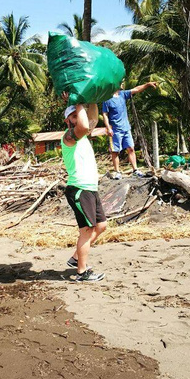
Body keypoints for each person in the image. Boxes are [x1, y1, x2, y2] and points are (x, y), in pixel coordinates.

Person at [62, 100, 107, 282]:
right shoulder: (69, 136)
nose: (78, 118)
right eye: (73, 116)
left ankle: (75, 258)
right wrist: (79, 102)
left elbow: (93, 119)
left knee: (101, 226)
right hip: (79, 189)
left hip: (89, 189)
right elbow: (83, 124)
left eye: (77, 114)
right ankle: (82, 272)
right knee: (86, 231)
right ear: (67, 121)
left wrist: (92, 99)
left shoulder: (83, 134)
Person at [101, 81, 159, 179]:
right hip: (115, 130)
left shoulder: (123, 94)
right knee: (115, 151)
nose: (122, 84)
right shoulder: (107, 99)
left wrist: (147, 84)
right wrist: (108, 127)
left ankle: (135, 170)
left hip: (126, 128)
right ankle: (117, 172)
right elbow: (105, 115)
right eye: (120, 82)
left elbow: (136, 89)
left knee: (131, 149)